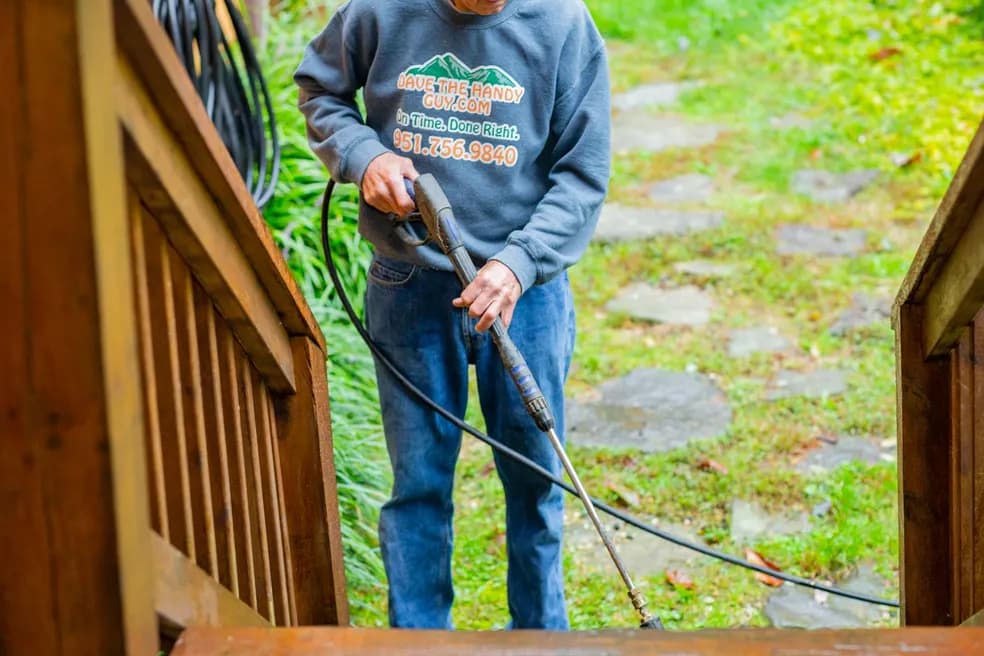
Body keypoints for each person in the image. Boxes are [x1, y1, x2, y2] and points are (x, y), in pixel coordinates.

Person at [294, 0, 610, 630]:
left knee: (537, 484)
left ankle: (542, 640)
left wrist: (521, 263)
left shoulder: (563, 25)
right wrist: (364, 156)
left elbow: (582, 175)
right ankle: (418, 641)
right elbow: (319, 87)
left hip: (525, 295)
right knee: (417, 487)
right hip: (408, 281)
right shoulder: (379, 11)